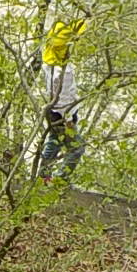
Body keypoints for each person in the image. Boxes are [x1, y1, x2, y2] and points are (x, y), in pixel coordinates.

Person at [39, 17, 87, 183]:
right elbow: (63, 96)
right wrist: (68, 119)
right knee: (77, 148)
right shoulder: (61, 71)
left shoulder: (50, 61)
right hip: (62, 114)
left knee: (54, 142)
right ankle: (59, 180)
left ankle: (43, 177)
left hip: (55, 113)